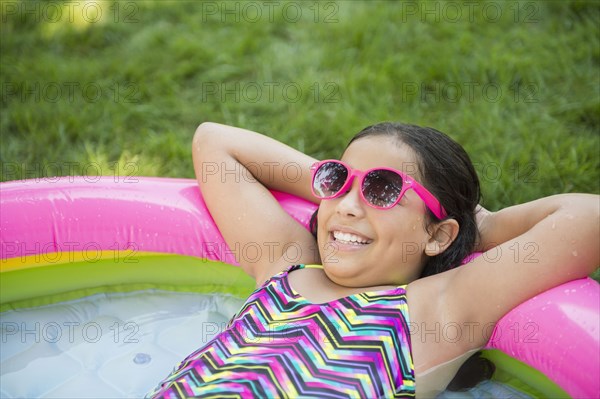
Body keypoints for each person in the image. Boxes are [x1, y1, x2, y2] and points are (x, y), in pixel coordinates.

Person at [147, 122, 599, 398]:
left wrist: (477, 226)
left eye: (383, 190)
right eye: (338, 180)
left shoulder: (437, 308)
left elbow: (589, 218)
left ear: (438, 235)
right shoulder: (287, 265)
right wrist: (338, 186)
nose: (346, 205)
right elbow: (215, 144)